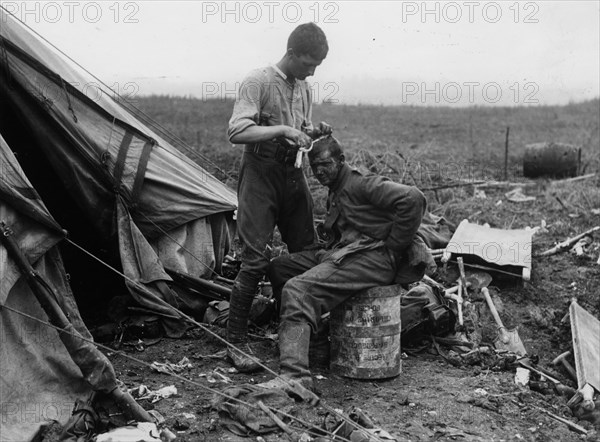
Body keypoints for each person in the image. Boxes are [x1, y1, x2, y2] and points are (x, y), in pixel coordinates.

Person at [264, 135, 429, 391]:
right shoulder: (337, 189)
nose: (319, 171)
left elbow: (413, 198)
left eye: (325, 164)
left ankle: (294, 376)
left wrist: (395, 245)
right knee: (280, 268)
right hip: (345, 252)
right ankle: (315, 348)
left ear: (340, 161)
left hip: (372, 257)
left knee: (298, 290)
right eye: (315, 167)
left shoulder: (360, 183)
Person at [226, 22, 332, 372]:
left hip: (292, 173)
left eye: (317, 66)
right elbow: (237, 130)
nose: (311, 71)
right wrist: (282, 130)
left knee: (306, 254)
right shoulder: (258, 80)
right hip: (260, 173)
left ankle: (291, 325)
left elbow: (299, 129)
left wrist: (309, 131)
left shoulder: (303, 87)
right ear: (290, 52)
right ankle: (236, 341)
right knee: (255, 260)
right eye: (307, 63)